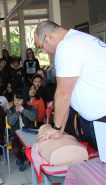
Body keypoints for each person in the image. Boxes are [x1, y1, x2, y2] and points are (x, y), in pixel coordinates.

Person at [34, 21, 106, 151]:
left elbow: (63, 94)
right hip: (96, 119)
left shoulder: (67, 46)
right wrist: (59, 128)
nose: (44, 52)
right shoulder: (77, 39)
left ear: (49, 37)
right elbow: (68, 91)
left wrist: (54, 127)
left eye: (41, 46)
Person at [7, 89, 38, 172]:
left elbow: (34, 117)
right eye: (14, 100)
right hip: (16, 136)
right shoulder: (10, 110)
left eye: (18, 100)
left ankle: (23, 157)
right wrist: (16, 113)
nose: (16, 102)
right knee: (16, 149)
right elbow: (10, 122)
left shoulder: (31, 107)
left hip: (29, 134)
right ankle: (23, 160)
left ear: (24, 99)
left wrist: (23, 110)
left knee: (33, 149)